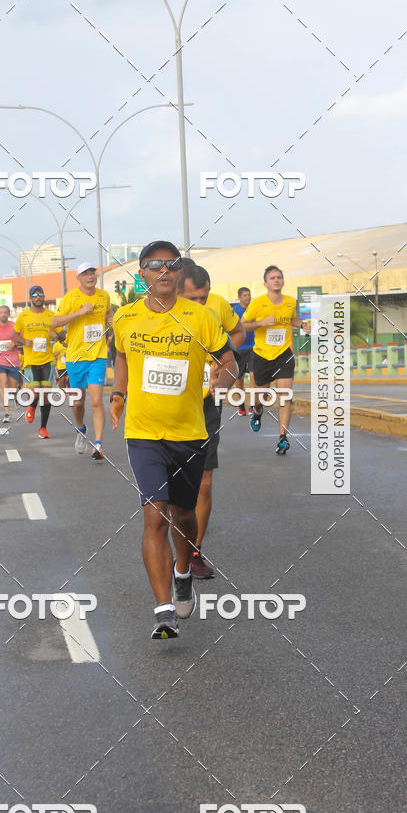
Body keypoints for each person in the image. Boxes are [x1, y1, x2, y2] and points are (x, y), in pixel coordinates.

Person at [110, 241, 237, 640]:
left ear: (180, 272)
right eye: (154, 265)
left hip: (190, 432)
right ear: (142, 274)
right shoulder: (125, 318)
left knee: (184, 515)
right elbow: (123, 357)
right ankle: (163, 608)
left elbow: (228, 358)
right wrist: (117, 394)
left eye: (171, 264)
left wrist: (225, 378)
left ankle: (183, 571)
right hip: (144, 432)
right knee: (154, 513)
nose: (163, 271)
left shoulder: (199, 317)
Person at [178, 262, 244, 580]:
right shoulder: (160, 314)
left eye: (205, 297)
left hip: (207, 402)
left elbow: (234, 352)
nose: (202, 304)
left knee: (204, 481)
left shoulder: (216, 309)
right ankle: (169, 541)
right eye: (195, 298)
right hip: (168, 405)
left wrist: (223, 374)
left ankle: (193, 551)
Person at [241, 265, 310, 454]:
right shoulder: (257, 304)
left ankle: (283, 438)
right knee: (259, 398)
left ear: (283, 281)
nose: (276, 280)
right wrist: (261, 323)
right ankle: (257, 411)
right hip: (262, 356)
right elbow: (242, 326)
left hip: (283, 355)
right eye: (272, 278)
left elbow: (292, 319)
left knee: (285, 396)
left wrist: (303, 324)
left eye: (279, 277)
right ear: (265, 283)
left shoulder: (290, 302)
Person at [50, 261, 114, 459]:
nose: (90, 277)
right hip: (76, 357)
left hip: (97, 355)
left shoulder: (103, 296)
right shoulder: (71, 298)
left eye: (93, 273)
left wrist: (114, 322)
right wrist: (79, 312)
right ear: (78, 278)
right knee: (78, 403)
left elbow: (108, 313)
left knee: (96, 401)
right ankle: (80, 429)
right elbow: (54, 322)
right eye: (85, 274)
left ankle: (99, 444)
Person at [13, 285, 56, 439]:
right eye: (35, 295)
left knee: (45, 394)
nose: (38, 297)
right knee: (35, 392)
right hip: (31, 361)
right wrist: (25, 341)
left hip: (48, 360)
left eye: (41, 294)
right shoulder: (24, 316)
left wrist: (57, 335)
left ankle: (43, 428)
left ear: (44, 297)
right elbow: (14, 335)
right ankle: (32, 405)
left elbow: (61, 334)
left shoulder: (51, 315)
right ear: (31, 298)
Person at [0, 305, 21, 422]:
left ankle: (15, 394)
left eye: (5, 312)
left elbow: (21, 338)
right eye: (1, 312)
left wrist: (14, 343)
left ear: (9, 314)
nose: (3, 314)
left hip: (13, 361)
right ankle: (7, 413)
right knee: (4, 386)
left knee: (12, 388)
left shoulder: (14, 326)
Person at [232, 287, 255, 416]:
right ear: (240, 297)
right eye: (245, 295)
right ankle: (241, 405)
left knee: (253, 375)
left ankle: (252, 405)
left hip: (253, 347)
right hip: (238, 348)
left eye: (249, 295)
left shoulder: (254, 309)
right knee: (239, 378)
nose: (248, 297)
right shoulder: (234, 311)